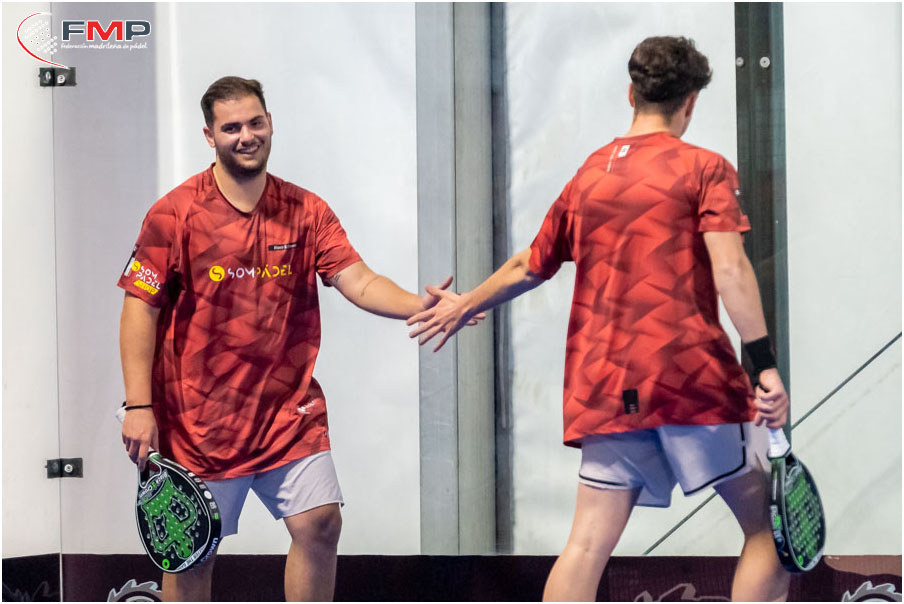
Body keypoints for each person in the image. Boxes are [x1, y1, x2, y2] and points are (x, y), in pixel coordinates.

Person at [408, 37, 792, 602]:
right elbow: (731, 269)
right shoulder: (704, 168)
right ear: (690, 102)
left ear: (631, 94)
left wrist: (465, 303)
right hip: (690, 383)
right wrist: (764, 366)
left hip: (606, 388)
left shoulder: (590, 174)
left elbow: (529, 264)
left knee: (586, 546)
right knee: (772, 533)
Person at [118, 76, 476, 602]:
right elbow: (139, 308)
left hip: (288, 415)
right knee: (193, 552)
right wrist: (139, 405)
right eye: (231, 128)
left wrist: (419, 305)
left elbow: (359, 280)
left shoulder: (306, 211)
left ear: (270, 123)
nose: (246, 136)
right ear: (209, 135)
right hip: (200, 422)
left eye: (255, 123)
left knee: (320, 524)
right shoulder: (173, 215)